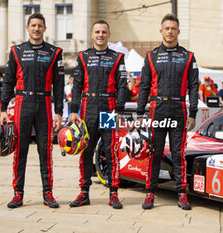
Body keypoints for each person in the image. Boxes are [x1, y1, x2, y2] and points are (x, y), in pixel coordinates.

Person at [0, 13, 64, 209]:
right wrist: (3, 108)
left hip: (44, 102)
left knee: (45, 150)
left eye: (40, 26)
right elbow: (8, 81)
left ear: (45, 29)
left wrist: (59, 112)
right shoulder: (16, 51)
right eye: (33, 25)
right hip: (22, 103)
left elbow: (59, 85)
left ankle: (48, 193)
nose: (36, 29)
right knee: (20, 150)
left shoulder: (54, 52)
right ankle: (18, 194)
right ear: (27, 28)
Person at [137, 13, 198, 210]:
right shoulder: (151, 56)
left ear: (178, 32)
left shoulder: (188, 57)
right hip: (157, 110)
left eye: (173, 29)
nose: (170, 32)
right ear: (161, 31)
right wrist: (139, 114)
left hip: (179, 109)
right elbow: (144, 86)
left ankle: (181, 193)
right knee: (154, 152)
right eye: (167, 28)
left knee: (178, 153)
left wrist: (193, 113)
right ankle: (150, 193)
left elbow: (194, 87)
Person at [69, 19, 126, 209]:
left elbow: (122, 86)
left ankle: (114, 193)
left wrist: (118, 110)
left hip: (109, 107)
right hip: (87, 107)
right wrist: (73, 111)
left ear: (108, 35)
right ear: (92, 35)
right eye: (97, 32)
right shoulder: (83, 56)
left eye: (104, 32)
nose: (100, 35)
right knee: (85, 150)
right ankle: (84, 193)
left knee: (110, 151)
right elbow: (76, 85)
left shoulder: (117, 57)